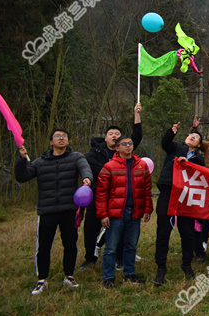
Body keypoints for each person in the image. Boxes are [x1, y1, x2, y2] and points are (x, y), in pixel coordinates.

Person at [16, 129, 93, 295]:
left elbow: (84, 168)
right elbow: (22, 177)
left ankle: (69, 276)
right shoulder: (40, 162)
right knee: (44, 247)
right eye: (57, 136)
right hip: (47, 210)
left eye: (64, 136)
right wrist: (22, 160)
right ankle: (42, 279)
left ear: (68, 141)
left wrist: (87, 179)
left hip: (69, 210)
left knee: (70, 244)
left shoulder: (76, 157)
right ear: (51, 142)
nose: (61, 138)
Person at [80, 103, 142, 270]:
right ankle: (90, 258)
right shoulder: (94, 154)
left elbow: (136, 136)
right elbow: (92, 171)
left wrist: (136, 114)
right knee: (91, 229)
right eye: (111, 134)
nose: (114, 136)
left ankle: (119, 258)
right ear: (105, 137)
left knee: (119, 228)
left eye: (117, 134)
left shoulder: (124, 153)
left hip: (119, 198)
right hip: (97, 197)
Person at [95, 134, 153, 287]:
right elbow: (101, 193)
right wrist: (103, 214)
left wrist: (148, 209)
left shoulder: (141, 165)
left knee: (131, 246)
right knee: (111, 247)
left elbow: (147, 189)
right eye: (124, 144)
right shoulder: (109, 167)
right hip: (116, 214)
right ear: (117, 148)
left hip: (134, 212)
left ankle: (129, 274)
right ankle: (108, 277)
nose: (128, 146)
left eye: (130, 143)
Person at [153, 120, 205, 285]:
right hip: (169, 192)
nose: (192, 137)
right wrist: (171, 131)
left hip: (187, 198)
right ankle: (161, 267)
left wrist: (188, 165)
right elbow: (165, 143)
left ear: (198, 145)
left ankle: (187, 264)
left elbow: (201, 178)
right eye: (191, 135)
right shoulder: (175, 148)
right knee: (163, 232)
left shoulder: (199, 159)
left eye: (196, 137)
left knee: (188, 233)